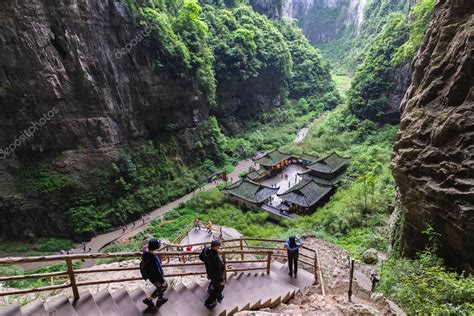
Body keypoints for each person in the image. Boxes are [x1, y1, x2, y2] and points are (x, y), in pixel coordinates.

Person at [141, 238, 168, 308]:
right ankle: (149, 299)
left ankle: (160, 300)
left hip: (150, 276)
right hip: (156, 278)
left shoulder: (145, 252)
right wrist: (162, 281)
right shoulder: (154, 259)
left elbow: (145, 248)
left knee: (159, 288)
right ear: (157, 247)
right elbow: (158, 272)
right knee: (164, 286)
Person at [199, 240, 225, 309]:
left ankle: (217, 294)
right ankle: (209, 302)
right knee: (220, 287)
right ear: (216, 247)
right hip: (216, 276)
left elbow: (201, 256)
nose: (219, 248)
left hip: (211, 274)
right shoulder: (215, 256)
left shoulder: (208, 253)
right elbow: (218, 270)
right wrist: (221, 280)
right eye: (219, 246)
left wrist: (205, 248)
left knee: (215, 284)